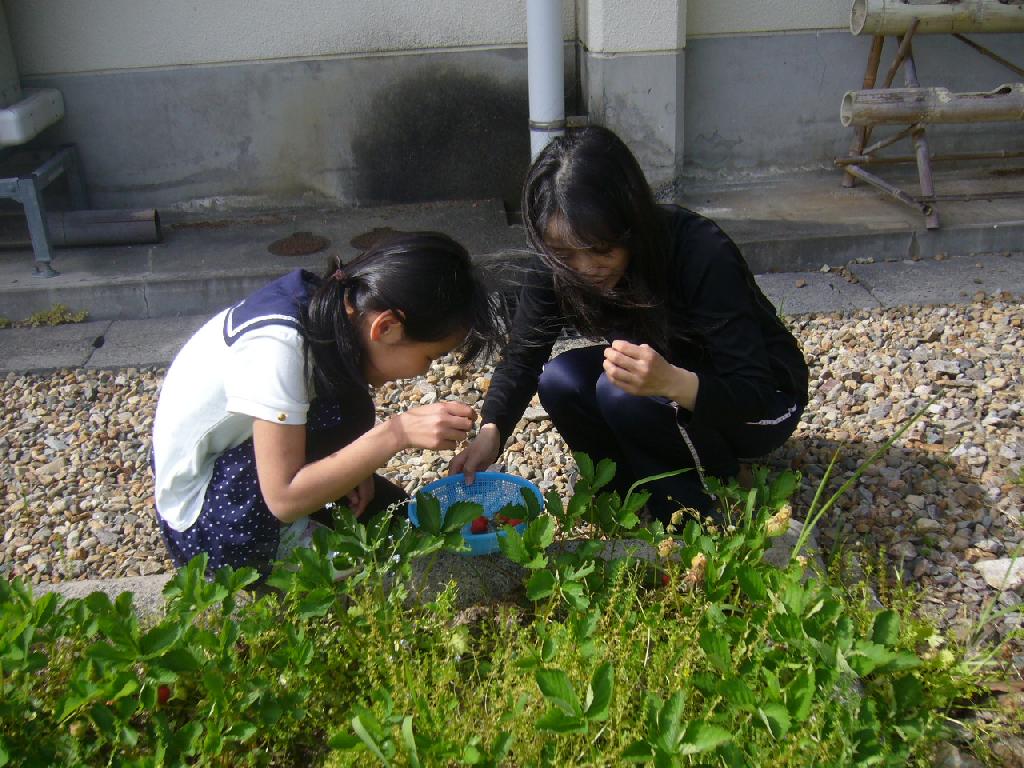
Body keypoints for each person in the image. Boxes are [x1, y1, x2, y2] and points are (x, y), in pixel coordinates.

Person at [451, 126, 809, 523]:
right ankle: (626, 497)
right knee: (561, 379)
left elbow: (755, 390)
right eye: (566, 255)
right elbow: (523, 355)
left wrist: (671, 383)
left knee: (623, 392)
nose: (585, 269)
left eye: (602, 249)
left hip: (762, 403)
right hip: (666, 378)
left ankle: (709, 497)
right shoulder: (558, 263)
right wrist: (492, 432)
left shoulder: (699, 250)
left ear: (631, 222)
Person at [152, 232, 503, 576]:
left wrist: (359, 467)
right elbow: (283, 498)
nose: (427, 369)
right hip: (206, 515)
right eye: (430, 356)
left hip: (244, 461)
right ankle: (274, 556)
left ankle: (322, 506)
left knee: (396, 515)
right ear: (387, 327)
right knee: (382, 569)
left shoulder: (335, 303)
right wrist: (397, 432)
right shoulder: (280, 348)